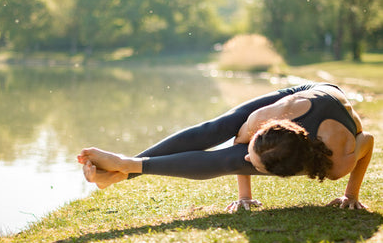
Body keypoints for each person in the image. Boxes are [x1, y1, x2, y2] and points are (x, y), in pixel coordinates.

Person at [77, 82, 374, 211]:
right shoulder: (264, 118)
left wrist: (351, 194)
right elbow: (241, 143)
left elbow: (368, 141)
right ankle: (125, 166)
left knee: (230, 160)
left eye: (255, 162)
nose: (247, 153)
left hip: (332, 111)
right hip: (308, 94)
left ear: (283, 174)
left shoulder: (340, 161)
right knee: (216, 129)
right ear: (263, 131)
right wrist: (245, 196)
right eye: (254, 146)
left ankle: (125, 168)